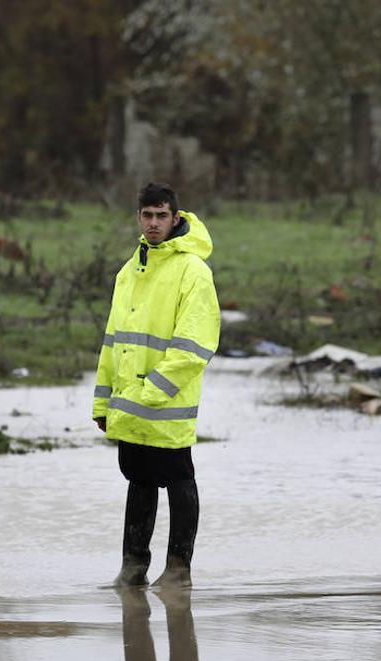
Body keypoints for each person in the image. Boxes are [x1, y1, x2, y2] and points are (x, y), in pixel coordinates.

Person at [92, 183, 220, 587]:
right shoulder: (128, 272)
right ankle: (133, 568)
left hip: (167, 403)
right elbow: (113, 342)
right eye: (147, 215)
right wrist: (103, 403)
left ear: (176, 218)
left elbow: (195, 347)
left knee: (179, 478)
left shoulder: (194, 271)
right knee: (139, 480)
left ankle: (179, 571)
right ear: (138, 218)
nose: (153, 223)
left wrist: (152, 392)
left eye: (161, 215)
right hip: (129, 403)